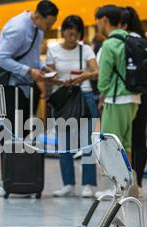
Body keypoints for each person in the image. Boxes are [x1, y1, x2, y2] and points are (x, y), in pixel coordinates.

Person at [46, 15, 99, 198]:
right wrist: (61, 81)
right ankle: (68, 183)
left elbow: (96, 71)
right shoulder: (53, 50)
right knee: (64, 143)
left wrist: (84, 76)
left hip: (85, 96)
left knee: (87, 143)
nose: (72, 37)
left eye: (76, 33)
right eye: (69, 33)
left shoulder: (86, 50)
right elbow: (48, 75)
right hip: (63, 98)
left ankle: (88, 184)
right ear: (63, 32)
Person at [94, 5, 142, 198]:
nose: (97, 25)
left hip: (116, 99)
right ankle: (130, 185)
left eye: (97, 20)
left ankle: (119, 187)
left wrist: (102, 93)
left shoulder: (110, 44)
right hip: (134, 99)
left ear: (104, 20)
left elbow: (104, 78)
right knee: (126, 144)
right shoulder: (133, 39)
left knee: (111, 144)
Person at [0, 0, 58, 135]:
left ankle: (23, 155)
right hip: (10, 84)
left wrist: (44, 68)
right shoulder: (18, 28)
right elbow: (1, 58)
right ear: (37, 16)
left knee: (24, 127)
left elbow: (32, 57)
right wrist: (28, 70)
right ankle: (11, 155)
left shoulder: (39, 28)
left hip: (25, 84)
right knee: (11, 128)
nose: (49, 28)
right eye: (48, 24)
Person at [118, 6, 147, 197]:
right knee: (139, 137)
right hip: (144, 94)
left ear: (122, 24)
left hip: (124, 95)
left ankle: (126, 182)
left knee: (121, 139)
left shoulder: (121, 41)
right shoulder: (144, 42)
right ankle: (139, 183)